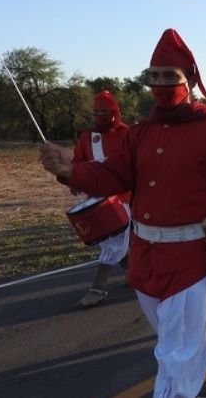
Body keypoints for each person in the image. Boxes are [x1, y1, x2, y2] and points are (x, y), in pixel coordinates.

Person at [40, 28, 206, 397]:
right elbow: (114, 175)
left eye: (168, 76)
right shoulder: (141, 132)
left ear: (189, 80)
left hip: (191, 261)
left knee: (175, 355)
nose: (160, 84)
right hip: (144, 259)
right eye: (153, 76)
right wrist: (69, 169)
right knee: (175, 348)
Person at [70, 90, 131, 307]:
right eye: (96, 112)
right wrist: (74, 180)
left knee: (113, 242)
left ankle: (98, 288)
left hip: (125, 198)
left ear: (114, 112)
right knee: (113, 240)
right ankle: (136, 273)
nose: (100, 116)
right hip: (98, 198)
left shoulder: (128, 135)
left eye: (104, 112)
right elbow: (77, 162)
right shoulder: (88, 137)